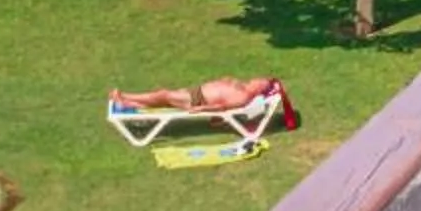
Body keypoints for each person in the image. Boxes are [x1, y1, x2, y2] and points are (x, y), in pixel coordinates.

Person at [109, 75, 288, 118]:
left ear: (259, 89)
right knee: (162, 97)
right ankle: (128, 102)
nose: (256, 79)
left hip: (198, 99)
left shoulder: (243, 97)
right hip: (197, 92)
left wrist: (201, 109)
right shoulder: (241, 86)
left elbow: (221, 106)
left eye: (260, 82)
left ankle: (124, 97)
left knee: (162, 94)